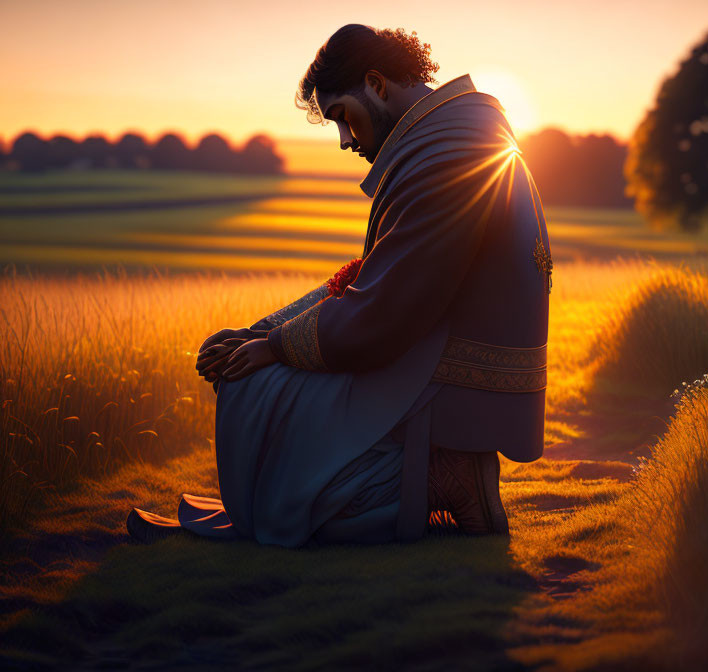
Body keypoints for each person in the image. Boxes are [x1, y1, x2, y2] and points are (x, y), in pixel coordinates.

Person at [126, 23, 552, 547]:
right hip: (434, 348)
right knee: (257, 373)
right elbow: (384, 274)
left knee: (249, 388)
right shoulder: (457, 136)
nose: (346, 140)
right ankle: (391, 479)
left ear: (376, 84)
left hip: (441, 371)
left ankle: (436, 478)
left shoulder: (451, 155)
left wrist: (274, 347)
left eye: (342, 118)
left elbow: (383, 313)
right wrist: (265, 331)